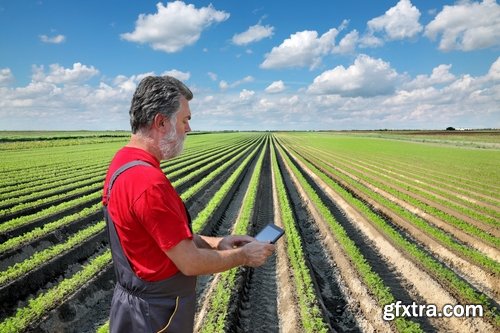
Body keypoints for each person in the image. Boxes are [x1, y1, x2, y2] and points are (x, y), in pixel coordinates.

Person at [102, 75, 275, 333]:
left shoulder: (123, 163)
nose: (189, 129)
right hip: (156, 316)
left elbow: (165, 238)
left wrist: (219, 243)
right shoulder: (149, 183)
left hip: (134, 307)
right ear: (161, 121)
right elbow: (190, 262)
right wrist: (242, 255)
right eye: (185, 120)